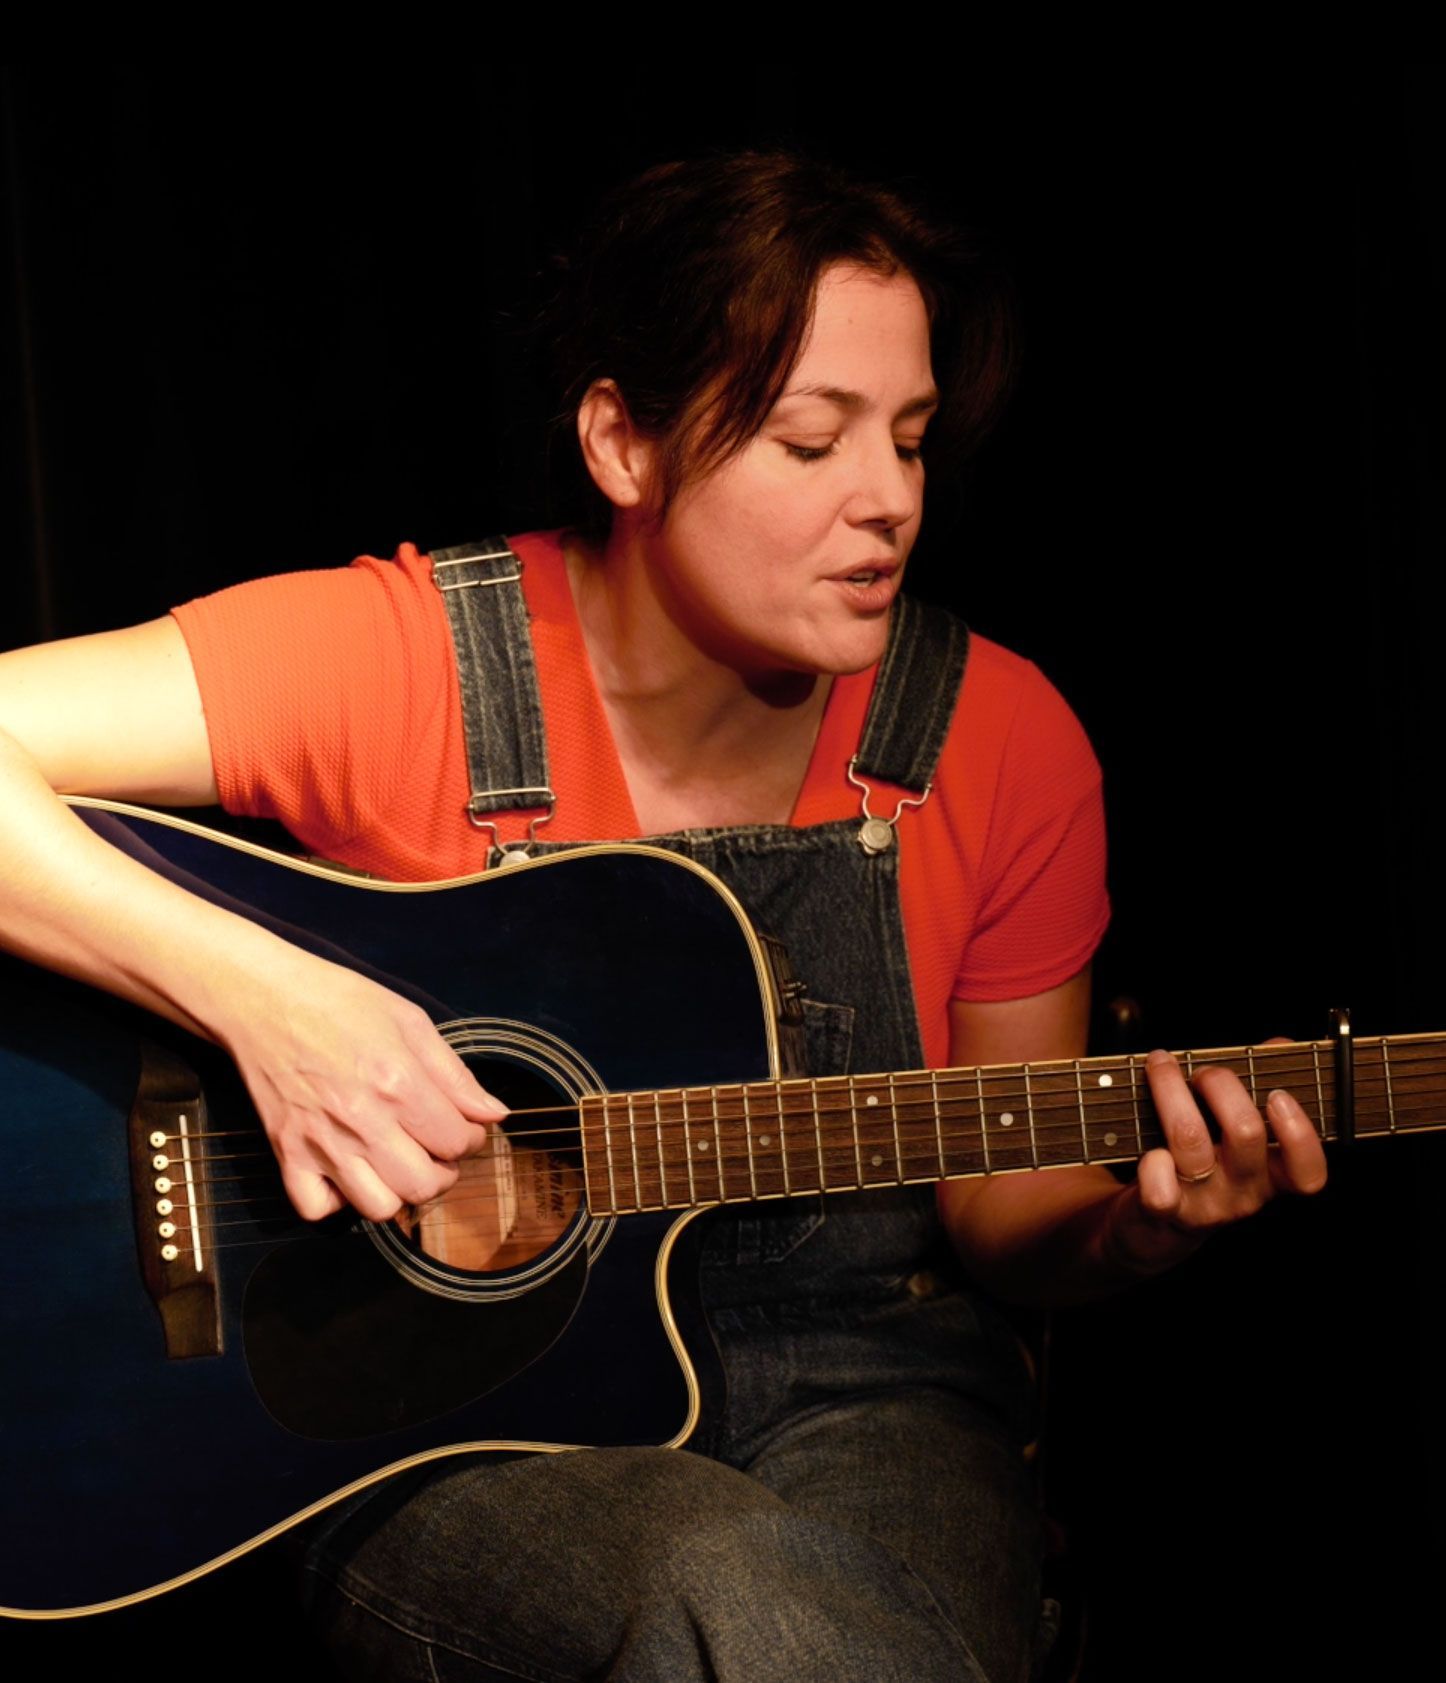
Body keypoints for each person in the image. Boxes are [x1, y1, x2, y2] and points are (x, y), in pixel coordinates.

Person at [0, 154, 1327, 1682]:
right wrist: (269, 1002)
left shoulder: (1003, 739)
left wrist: (1129, 1234)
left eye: (907, 439)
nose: (887, 500)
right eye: (808, 439)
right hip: (462, 1429)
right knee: (738, 1600)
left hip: (868, 1389)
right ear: (623, 444)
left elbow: (1006, 1222)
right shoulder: (411, 657)